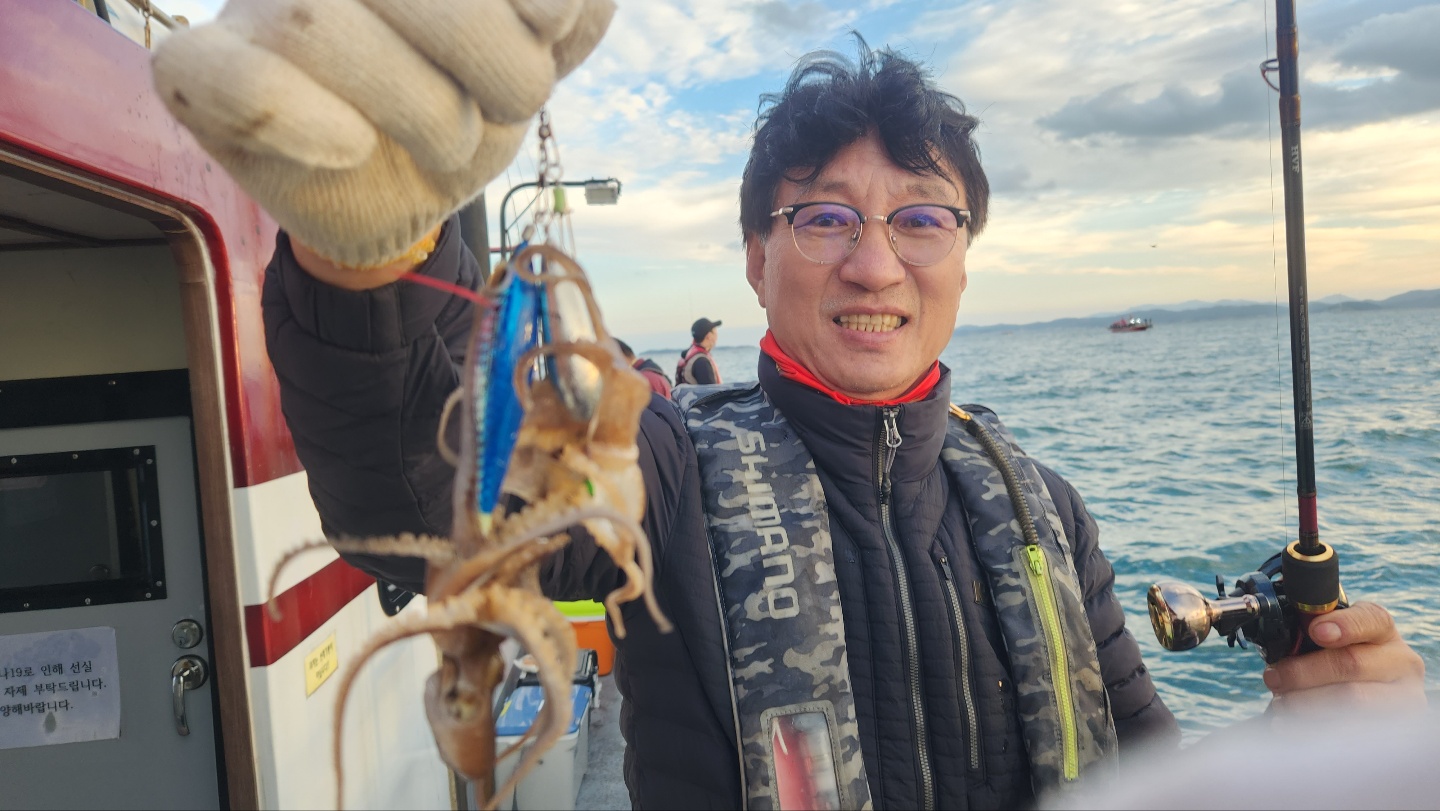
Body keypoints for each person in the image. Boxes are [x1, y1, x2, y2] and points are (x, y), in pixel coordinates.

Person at [153, 6, 1426, 809]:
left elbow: (1145, 762)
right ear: (757, 260)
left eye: (921, 219)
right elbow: (424, 503)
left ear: (964, 258)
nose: (875, 264)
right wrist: (368, 254)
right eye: (823, 218)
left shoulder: (1047, 506)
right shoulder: (666, 463)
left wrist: (1317, 752)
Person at [676, 316, 722, 385]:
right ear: (709, 336)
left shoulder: (688, 356)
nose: (716, 337)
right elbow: (710, 390)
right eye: (715, 333)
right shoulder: (702, 362)